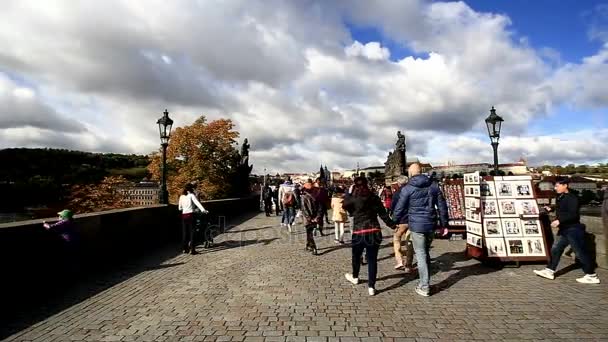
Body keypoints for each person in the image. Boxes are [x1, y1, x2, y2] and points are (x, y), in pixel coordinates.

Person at [393, 163, 449, 297]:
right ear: (422, 171)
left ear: (410, 174)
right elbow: (442, 206)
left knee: (421, 254)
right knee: (425, 253)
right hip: (430, 224)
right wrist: (444, 224)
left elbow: (399, 208)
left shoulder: (408, 188)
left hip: (416, 226)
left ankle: (424, 286)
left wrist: (394, 221)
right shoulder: (434, 186)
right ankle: (425, 282)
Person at [534, 178, 600, 284]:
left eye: (557, 186)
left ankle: (591, 275)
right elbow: (563, 208)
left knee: (580, 253)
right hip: (565, 229)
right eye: (555, 186)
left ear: (565, 185)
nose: (555, 188)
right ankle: (549, 271)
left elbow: (573, 214)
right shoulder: (561, 197)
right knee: (556, 249)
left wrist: (559, 220)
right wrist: (551, 208)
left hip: (573, 229)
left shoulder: (573, 198)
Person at [343, 177, 395, 296]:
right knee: (372, 260)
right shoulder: (374, 197)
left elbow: (346, 207)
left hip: (359, 232)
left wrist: (349, 193)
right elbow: (383, 214)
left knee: (356, 257)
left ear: (355, 186)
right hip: (374, 231)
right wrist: (392, 225)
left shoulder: (354, 199)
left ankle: (355, 276)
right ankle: (371, 286)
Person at [390, 176, 415, 272]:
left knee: (397, 240)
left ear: (399, 183)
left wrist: (393, 220)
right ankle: (408, 265)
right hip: (411, 220)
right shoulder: (413, 191)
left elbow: (393, 207)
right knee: (409, 243)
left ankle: (400, 260)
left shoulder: (397, 193)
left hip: (401, 221)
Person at [178, 184, 208, 255]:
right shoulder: (191, 195)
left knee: (185, 232)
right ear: (191, 189)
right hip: (191, 215)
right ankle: (192, 249)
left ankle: (185, 249)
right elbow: (197, 203)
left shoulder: (181, 196)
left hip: (184, 215)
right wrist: (204, 210)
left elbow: (179, 208)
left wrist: (185, 208)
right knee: (192, 232)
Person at [301, 180, 322, 255]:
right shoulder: (317, 195)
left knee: (309, 232)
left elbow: (304, 208)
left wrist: (309, 218)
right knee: (309, 232)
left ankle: (314, 248)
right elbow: (320, 207)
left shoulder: (303, 196)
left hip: (308, 218)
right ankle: (308, 245)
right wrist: (317, 216)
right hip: (315, 216)